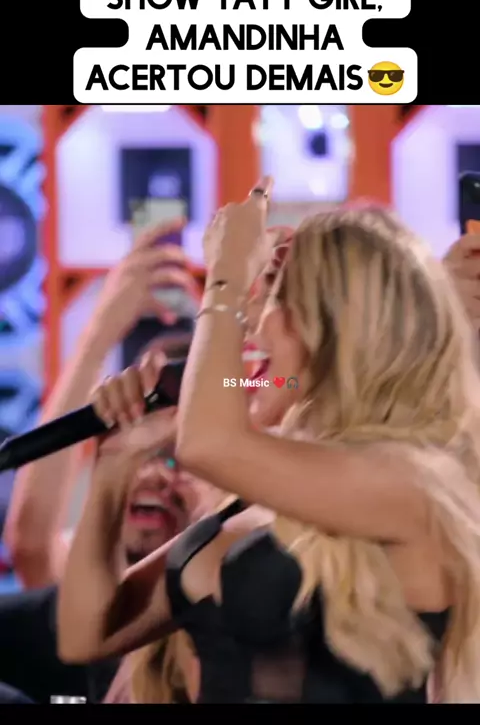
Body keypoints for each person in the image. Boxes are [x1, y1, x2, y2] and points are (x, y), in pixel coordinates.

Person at [57, 181, 480, 704]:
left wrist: (227, 281)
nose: (252, 327)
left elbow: (209, 443)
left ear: (340, 327)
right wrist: (116, 464)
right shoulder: (252, 498)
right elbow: (88, 634)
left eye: (276, 297)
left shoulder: (410, 484)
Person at [0, 218, 214, 704]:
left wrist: (229, 327)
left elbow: (277, 383)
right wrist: (99, 332)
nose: (155, 475)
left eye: (177, 459)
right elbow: (32, 543)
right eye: (143, 452)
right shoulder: (94, 586)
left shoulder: (240, 573)